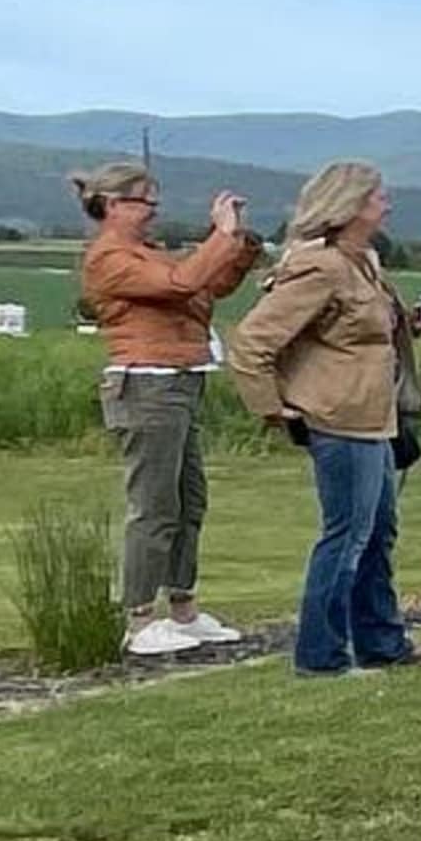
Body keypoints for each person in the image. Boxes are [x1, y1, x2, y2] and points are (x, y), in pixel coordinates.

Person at [224, 159, 421, 677]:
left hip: (375, 418)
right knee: (347, 537)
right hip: (338, 419)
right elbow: (251, 341)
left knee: (377, 534)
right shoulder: (320, 267)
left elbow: (352, 330)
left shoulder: (365, 262)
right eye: (380, 195)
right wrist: (271, 405)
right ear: (352, 205)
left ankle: (382, 642)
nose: (388, 203)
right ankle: (320, 656)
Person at [72, 158, 262, 657]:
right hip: (146, 385)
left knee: (188, 501)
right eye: (142, 203)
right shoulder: (109, 258)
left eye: (154, 202)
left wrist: (236, 243)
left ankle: (183, 610)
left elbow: (209, 284)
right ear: (112, 206)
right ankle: (138, 620)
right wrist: (218, 238)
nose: (152, 213)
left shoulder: (144, 252)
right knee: (154, 506)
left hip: (181, 381)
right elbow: (181, 284)